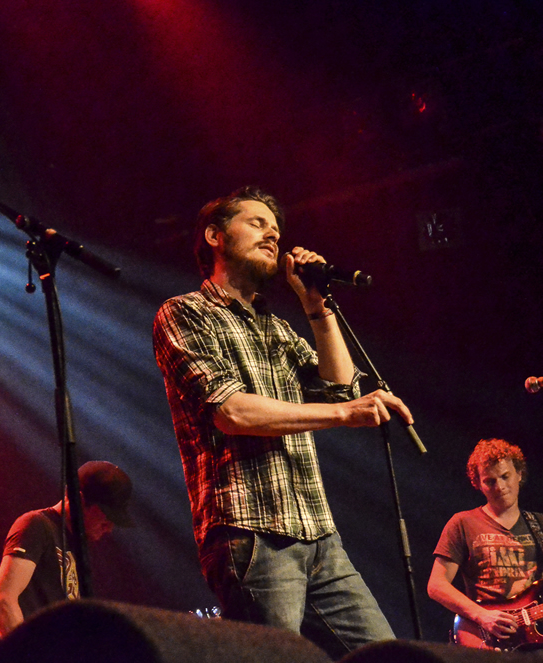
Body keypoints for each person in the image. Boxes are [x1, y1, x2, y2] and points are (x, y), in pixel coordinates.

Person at [152, 186, 413, 657]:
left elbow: (339, 385)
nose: (272, 234)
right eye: (256, 223)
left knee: (387, 656)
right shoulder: (185, 312)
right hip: (252, 533)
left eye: (276, 228)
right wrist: (342, 414)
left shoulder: (275, 326)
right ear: (215, 236)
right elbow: (232, 411)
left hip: (318, 533)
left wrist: (317, 305)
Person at [0, 460, 134, 637]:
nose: (109, 527)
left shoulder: (80, 547)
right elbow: (3, 602)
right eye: (106, 517)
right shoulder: (36, 526)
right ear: (78, 500)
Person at [428, 438, 540, 649]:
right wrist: (481, 616)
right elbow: (436, 585)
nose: (500, 487)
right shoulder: (462, 522)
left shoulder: (540, 525)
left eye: (505, 476)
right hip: (485, 640)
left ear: (520, 475)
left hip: (533, 641)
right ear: (478, 484)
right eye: (490, 480)